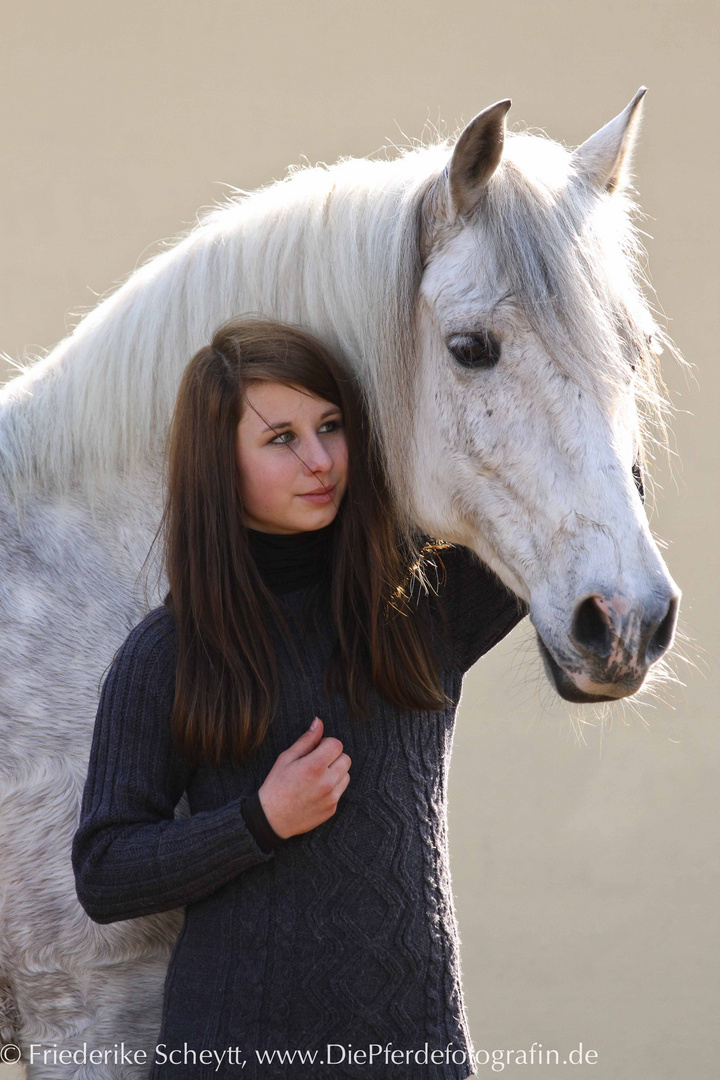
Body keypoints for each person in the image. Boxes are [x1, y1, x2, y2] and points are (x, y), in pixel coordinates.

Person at [72, 316, 528, 1079]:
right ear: (219, 464)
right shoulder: (172, 650)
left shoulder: (423, 601)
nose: (319, 460)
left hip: (417, 1050)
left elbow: (608, 486)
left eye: (332, 426)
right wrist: (258, 820)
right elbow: (105, 870)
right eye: (281, 438)